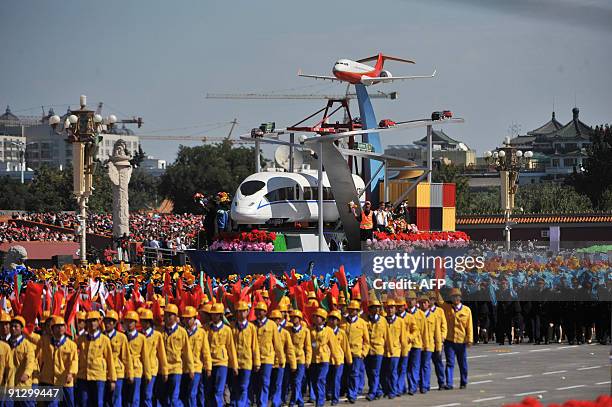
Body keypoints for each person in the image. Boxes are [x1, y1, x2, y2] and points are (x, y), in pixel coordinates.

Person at [76, 311, 116, 407]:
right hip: (83, 376)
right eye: (89, 321)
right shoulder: (81, 339)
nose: (92, 323)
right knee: (84, 402)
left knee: (98, 403)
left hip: (98, 376)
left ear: (98, 322)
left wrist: (112, 379)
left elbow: (110, 360)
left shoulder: (104, 339)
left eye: (94, 321)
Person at [37, 315, 78, 407]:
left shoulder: (71, 345)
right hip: (49, 381)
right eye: (57, 326)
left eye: (62, 326)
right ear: (52, 329)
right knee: (51, 405)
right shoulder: (45, 341)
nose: (60, 328)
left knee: (69, 404)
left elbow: (74, 361)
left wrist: (71, 373)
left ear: (65, 327)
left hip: (65, 381)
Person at [163, 303, 194, 407]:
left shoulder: (182, 332)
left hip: (176, 368)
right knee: (165, 398)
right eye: (166, 315)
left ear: (176, 317)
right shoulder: (160, 332)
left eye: (170, 315)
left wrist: (190, 369)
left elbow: (187, 351)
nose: (167, 317)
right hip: (163, 369)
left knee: (174, 397)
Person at [207, 302, 238, 407]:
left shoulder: (227, 330)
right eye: (212, 314)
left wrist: (234, 365)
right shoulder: (206, 329)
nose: (213, 316)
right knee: (210, 390)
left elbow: (231, 348)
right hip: (210, 363)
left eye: (216, 314)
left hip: (222, 363)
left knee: (219, 390)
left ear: (220, 315)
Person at [253, 302, 283, 407]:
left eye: (260, 311)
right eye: (256, 310)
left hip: (267, 357)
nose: (257, 312)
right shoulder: (252, 325)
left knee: (265, 382)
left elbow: (277, 343)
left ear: (265, 312)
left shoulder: (272, 325)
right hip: (254, 358)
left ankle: (262, 403)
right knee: (256, 382)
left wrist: (281, 358)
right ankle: (257, 401)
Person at [442, 288, 473, 390]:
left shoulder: (466, 310)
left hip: (461, 341)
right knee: (449, 363)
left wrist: (470, 339)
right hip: (449, 341)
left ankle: (463, 381)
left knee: (462, 363)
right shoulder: (446, 308)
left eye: (457, 296)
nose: (455, 298)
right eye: (453, 297)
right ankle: (449, 383)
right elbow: (439, 300)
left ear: (460, 297)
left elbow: (469, 326)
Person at [231, 301, 260, 407]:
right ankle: (236, 403)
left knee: (244, 386)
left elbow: (255, 346)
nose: (241, 314)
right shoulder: (232, 327)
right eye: (239, 312)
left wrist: (256, 362)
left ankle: (242, 404)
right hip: (235, 362)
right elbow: (230, 346)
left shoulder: (251, 327)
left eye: (243, 311)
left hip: (247, 361)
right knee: (235, 386)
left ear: (247, 312)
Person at [309, 308, 340, 407]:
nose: (316, 318)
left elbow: (333, 346)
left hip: (324, 359)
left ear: (323, 319)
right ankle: (318, 397)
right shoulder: (310, 331)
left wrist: (336, 360)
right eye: (315, 317)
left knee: (320, 380)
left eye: (318, 317)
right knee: (314, 381)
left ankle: (320, 402)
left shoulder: (329, 331)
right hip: (313, 360)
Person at [180, 306, 210, 407]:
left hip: (197, 367)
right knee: (185, 394)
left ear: (194, 318)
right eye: (185, 318)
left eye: (189, 318)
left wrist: (208, 366)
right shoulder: (181, 333)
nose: (187, 321)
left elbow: (205, 351)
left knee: (193, 393)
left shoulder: (201, 333)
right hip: (183, 368)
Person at [138, 308, 168, 407]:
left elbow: (161, 354)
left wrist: (164, 371)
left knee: (148, 395)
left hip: (152, 369)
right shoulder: (138, 335)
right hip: (139, 370)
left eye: (145, 321)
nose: (142, 323)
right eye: (142, 321)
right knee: (141, 396)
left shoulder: (157, 335)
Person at [103, 309, 133, 407]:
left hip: (117, 372)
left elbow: (126, 357)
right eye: (106, 321)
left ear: (115, 323)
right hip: (103, 372)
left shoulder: (121, 337)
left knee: (116, 399)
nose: (107, 324)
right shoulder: (101, 336)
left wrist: (130, 374)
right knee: (105, 400)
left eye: (110, 321)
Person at [343, 300, 369, 404]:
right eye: (350, 309)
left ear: (357, 311)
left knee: (354, 374)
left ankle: (352, 394)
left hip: (356, 353)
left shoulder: (362, 323)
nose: (352, 311)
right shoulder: (342, 322)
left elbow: (366, 340)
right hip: (344, 353)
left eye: (354, 310)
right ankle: (345, 391)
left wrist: (363, 353)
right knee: (345, 374)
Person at [123, 311, 150, 407]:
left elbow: (145, 357)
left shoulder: (141, 338)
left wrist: (147, 374)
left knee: (135, 398)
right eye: (127, 321)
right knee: (125, 398)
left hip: (136, 370)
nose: (129, 324)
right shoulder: (122, 337)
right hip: (124, 371)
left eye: (131, 321)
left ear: (135, 323)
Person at [269, 310, 295, 407]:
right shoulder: (268, 331)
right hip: (269, 361)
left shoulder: (285, 333)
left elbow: (289, 349)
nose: (274, 321)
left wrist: (293, 364)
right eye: (272, 319)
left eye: (276, 320)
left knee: (278, 384)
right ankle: (271, 400)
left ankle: (276, 402)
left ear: (280, 320)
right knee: (270, 383)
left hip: (280, 362)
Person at [327, 310, 351, 406]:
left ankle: (335, 398)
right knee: (328, 379)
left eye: (335, 319)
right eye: (331, 319)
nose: (332, 321)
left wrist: (349, 359)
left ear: (338, 321)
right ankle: (329, 393)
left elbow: (346, 347)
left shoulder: (341, 333)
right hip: (328, 359)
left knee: (336, 379)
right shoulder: (326, 331)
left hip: (339, 360)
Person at [365, 298, 387, 401]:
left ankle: (372, 392)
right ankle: (378, 390)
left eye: (378, 307)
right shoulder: (364, 319)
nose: (376, 309)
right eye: (374, 307)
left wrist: (388, 349)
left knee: (375, 372)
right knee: (369, 372)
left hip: (378, 349)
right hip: (367, 350)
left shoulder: (383, 320)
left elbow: (387, 336)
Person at [288, 309, 311, 407]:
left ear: (300, 319)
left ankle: (293, 401)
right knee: (293, 382)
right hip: (290, 359)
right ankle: (300, 400)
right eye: (292, 317)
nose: (293, 319)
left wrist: (308, 360)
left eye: (295, 317)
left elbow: (308, 347)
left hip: (300, 359)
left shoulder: (305, 331)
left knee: (298, 380)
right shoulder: (288, 330)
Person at [419, 295, 441, 394]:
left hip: (430, 345)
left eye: (425, 302)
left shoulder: (433, 316)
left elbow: (437, 332)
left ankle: (425, 385)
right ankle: (420, 384)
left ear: (428, 304)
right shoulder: (416, 316)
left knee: (426, 365)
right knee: (419, 365)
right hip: (419, 345)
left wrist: (439, 346)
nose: (423, 304)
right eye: (421, 303)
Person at [382, 299, 402, 399]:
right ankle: (386, 390)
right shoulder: (383, 320)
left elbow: (403, 337)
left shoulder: (400, 321)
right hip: (384, 351)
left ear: (395, 309)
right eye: (388, 308)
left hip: (395, 350)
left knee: (393, 371)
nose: (390, 310)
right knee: (385, 372)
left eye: (392, 308)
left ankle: (393, 391)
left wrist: (405, 351)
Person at [406, 291, 425, 396]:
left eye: (412, 300)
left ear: (415, 301)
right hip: (406, 345)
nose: (410, 302)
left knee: (415, 366)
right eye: (408, 300)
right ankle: (411, 385)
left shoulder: (420, 314)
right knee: (407, 367)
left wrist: (425, 344)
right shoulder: (404, 313)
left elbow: (424, 331)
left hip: (417, 344)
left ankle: (413, 387)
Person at [428, 291, 447, 390]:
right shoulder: (423, 311)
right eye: (429, 299)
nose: (430, 301)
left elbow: (444, 325)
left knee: (438, 362)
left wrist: (443, 337)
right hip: (427, 341)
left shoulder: (439, 311)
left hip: (437, 341)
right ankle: (424, 384)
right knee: (425, 364)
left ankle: (441, 382)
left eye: (432, 299)